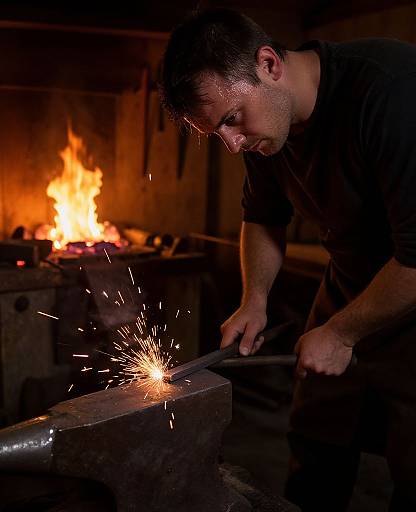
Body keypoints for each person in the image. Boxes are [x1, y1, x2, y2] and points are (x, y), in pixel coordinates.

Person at [160, 7, 416, 512]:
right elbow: (262, 217)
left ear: (269, 64)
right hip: (351, 284)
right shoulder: (268, 132)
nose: (232, 145)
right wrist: (254, 298)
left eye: (232, 120)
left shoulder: (393, 93)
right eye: (218, 134)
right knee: (317, 443)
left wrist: (341, 333)